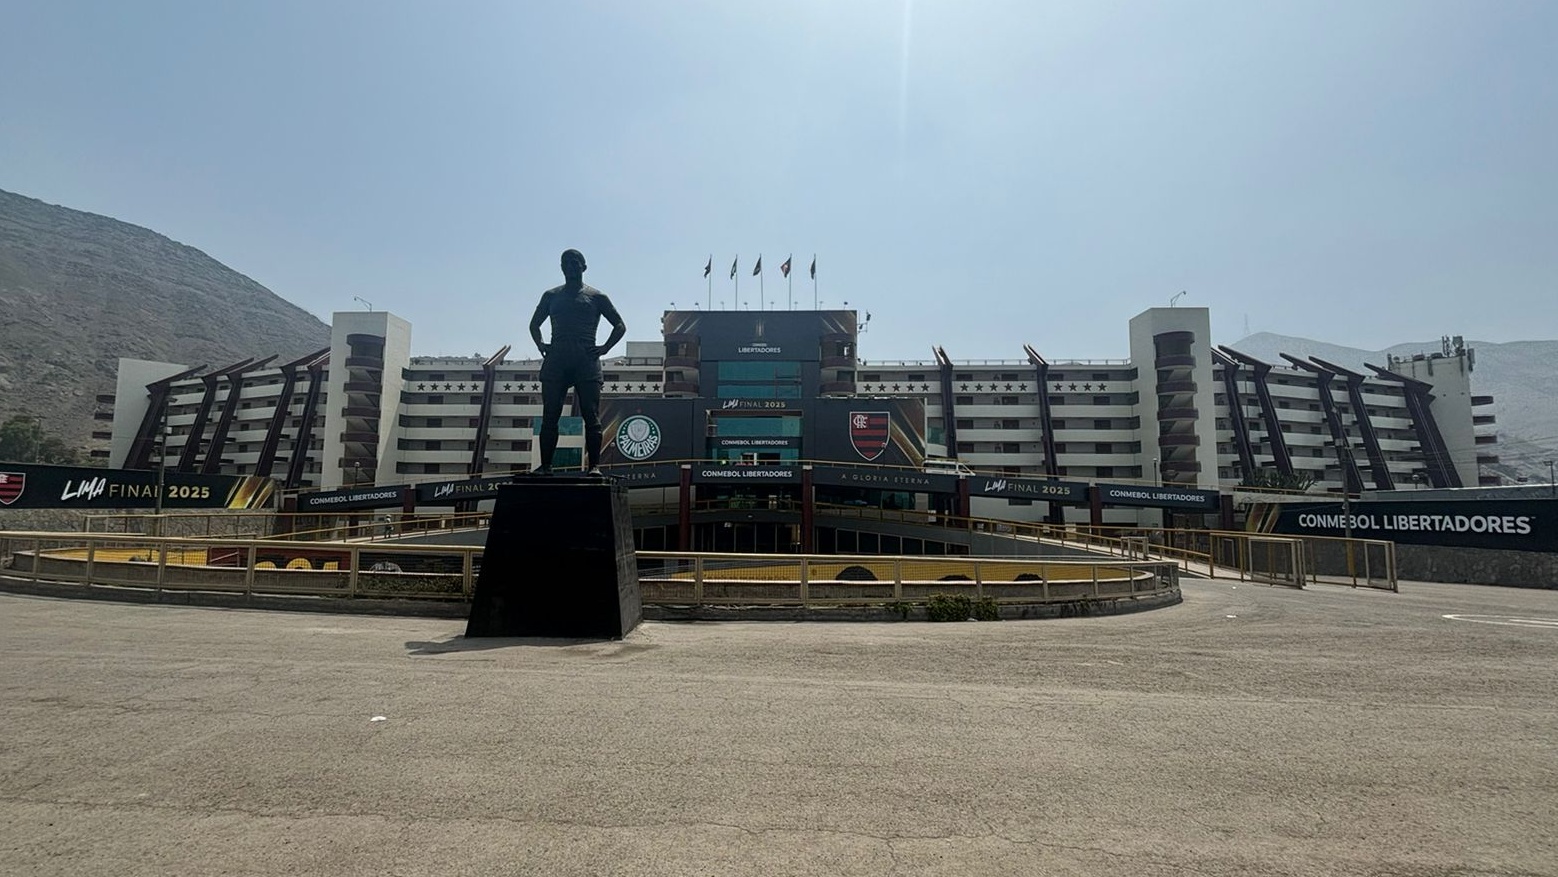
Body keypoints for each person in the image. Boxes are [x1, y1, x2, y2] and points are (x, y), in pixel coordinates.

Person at [528, 248, 627, 476]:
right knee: (550, 416)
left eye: (575, 262)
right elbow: (534, 324)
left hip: (586, 359)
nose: (570, 266)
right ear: (561, 268)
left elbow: (619, 325)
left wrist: (604, 348)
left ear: (584, 267)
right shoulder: (551, 296)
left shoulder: (596, 297)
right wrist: (541, 345)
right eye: (566, 263)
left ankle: (594, 467)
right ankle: (546, 466)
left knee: (591, 416)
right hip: (557, 359)